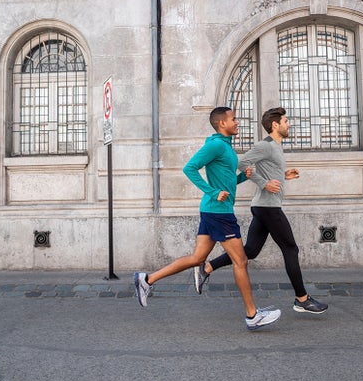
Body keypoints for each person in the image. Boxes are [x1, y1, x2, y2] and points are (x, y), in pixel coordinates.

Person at [134, 107, 281, 330]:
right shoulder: (215, 145)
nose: (237, 122)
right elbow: (189, 168)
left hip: (214, 210)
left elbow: (225, 181)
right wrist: (213, 192)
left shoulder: (225, 147)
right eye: (234, 119)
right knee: (240, 261)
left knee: (197, 258)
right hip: (218, 212)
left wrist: (242, 177)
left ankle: (147, 280)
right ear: (222, 123)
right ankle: (252, 315)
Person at [193, 107, 328, 314]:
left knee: (251, 250)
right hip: (268, 207)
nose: (288, 124)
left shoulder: (276, 147)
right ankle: (302, 299)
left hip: (264, 206)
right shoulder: (265, 145)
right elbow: (241, 163)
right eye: (285, 121)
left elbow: (267, 170)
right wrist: (264, 183)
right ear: (275, 125)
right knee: (290, 248)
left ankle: (208, 267)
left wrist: (283, 176)